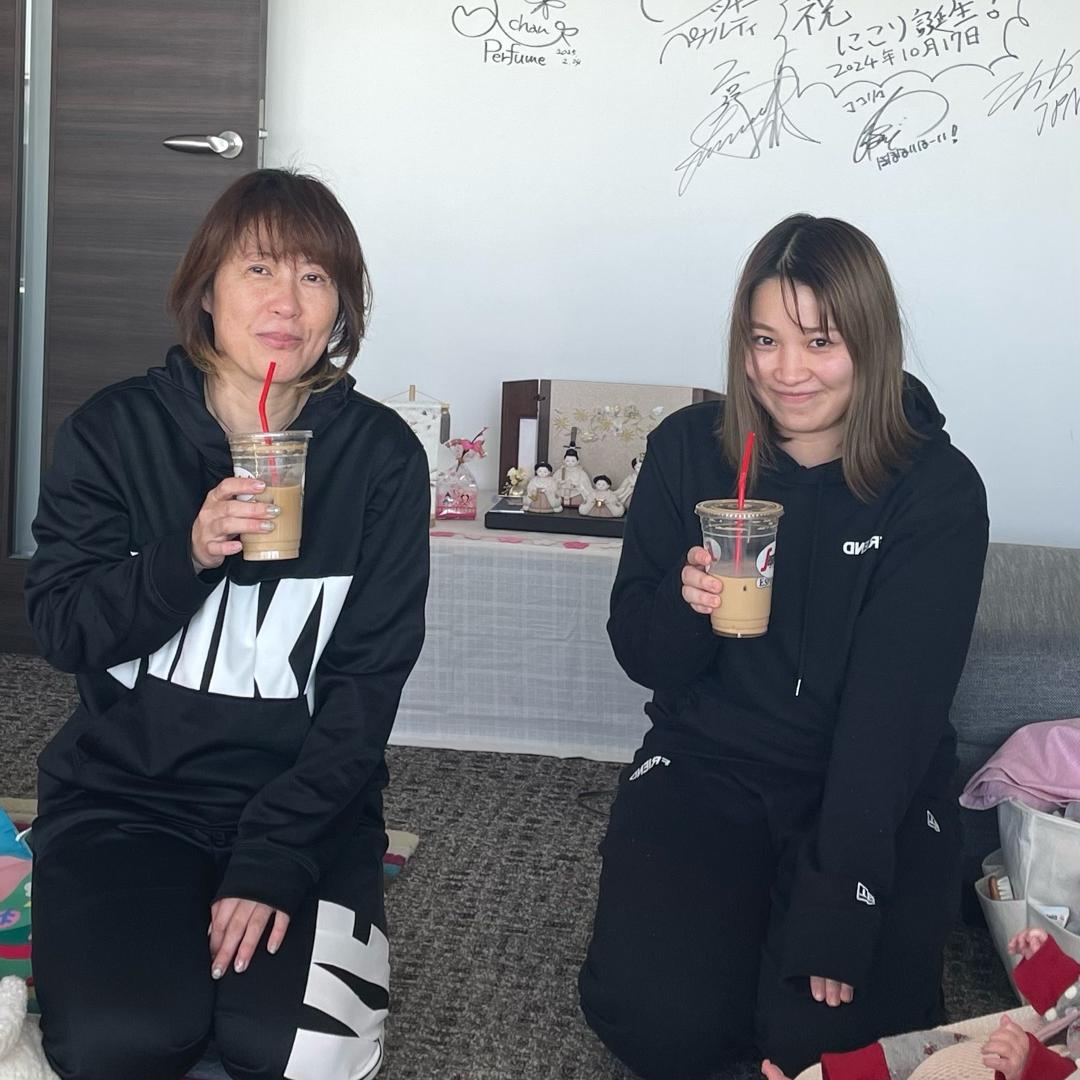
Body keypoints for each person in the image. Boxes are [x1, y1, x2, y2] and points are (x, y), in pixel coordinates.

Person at [24, 169, 431, 1080]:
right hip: (127, 800)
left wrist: (276, 854)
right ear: (206, 290)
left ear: (341, 308)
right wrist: (188, 555)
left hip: (310, 808)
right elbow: (60, 629)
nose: (288, 302)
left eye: (316, 277)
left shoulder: (380, 459)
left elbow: (367, 688)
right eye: (259, 269)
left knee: (295, 1057)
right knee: (120, 1044)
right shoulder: (114, 433)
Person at [578, 214, 990, 1079]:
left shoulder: (936, 491)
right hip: (710, 764)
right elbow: (644, 656)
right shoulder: (688, 451)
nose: (786, 370)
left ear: (870, 341)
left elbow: (891, 721)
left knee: (823, 1046)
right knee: (658, 1024)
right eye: (765, 340)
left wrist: (844, 899)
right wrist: (687, 604)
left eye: (820, 341)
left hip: (868, 780)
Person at [761, 929, 1079, 1080]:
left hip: (1041, 1066)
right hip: (1044, 1042)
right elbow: (1070, 1002)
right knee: (909, 1051)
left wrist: (1031, 1069)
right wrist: (1048, 965)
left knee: (936, 1069)